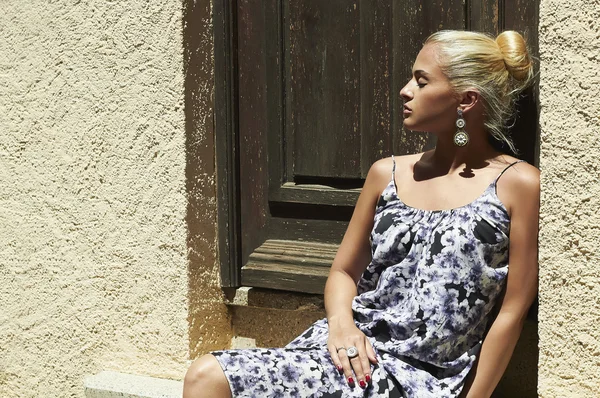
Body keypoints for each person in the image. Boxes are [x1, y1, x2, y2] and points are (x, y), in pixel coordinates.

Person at [183, 30, 540, 398]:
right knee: (207, 376)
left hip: (419, 380)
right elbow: (342, 271)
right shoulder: (386, 174)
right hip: (349, 352)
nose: (405, 91)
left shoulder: (518, 185)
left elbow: (511, 311)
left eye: (421, 81)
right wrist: (341, 325)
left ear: (466, 99)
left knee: (208, 376)